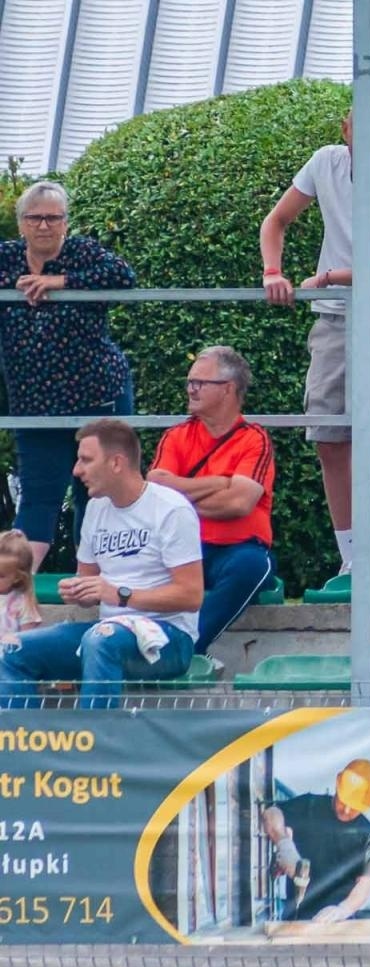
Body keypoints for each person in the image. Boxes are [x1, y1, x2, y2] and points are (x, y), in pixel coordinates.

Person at [259, 96, 370, 573]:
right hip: (333, 318)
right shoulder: (324, 162)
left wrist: (328, 277)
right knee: (329, 435)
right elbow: (276, 221)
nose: (368, 140)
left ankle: (369, 557)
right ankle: (351, 557)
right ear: (346, 130)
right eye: (360, 129)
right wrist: (274, 272)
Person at [0, 420, 202, 709]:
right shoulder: (96, 509)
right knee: (12, 648)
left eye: (85, 460)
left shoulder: (171, 509)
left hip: (169, 638)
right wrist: (78, 591)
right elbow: (90, 585)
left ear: (116, 463)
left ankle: (92, 745)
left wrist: (118, 594)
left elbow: (191, 596)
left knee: (101, 639)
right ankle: (24, 745)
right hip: (108, 630)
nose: (76, 470)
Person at [0, 180, 136, 570]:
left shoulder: (81, 253)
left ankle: (96, 584)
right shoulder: (6, 258)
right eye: (35, 218)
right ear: (21, 223)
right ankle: (13, 593)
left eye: (53, 218)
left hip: (96, 397)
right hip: (35, 403)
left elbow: (124, 277)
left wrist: (60, 283)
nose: (44, 226)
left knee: (97, 495)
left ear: (65, 222)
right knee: (39, 495)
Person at [147, 346, 276, 655]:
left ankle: (186, 649)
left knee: (252, 567)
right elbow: (155, 491)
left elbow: (239, 505)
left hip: (238, 549)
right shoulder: (176, 436)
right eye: (190, 382)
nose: (191, 389)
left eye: (199, 383)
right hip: (184, 547)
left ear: (228, 389)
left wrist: (181, 496)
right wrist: (220, 483)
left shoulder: (254, 439)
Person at [261, 759, 370, 924]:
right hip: (296, 920)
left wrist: (343, 909)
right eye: (343, 801)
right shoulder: (309, 806)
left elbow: (365, 885)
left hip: (337, 925)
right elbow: (271, 813)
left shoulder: (369, 834)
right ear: (337, 786)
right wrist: (284, 844)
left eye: (354, 807)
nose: (346, 810)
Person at [0, 530, 42, 638]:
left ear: (17, 578)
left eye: (0, 576)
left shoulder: (22, 604)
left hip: (9, 653)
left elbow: (28, 642)